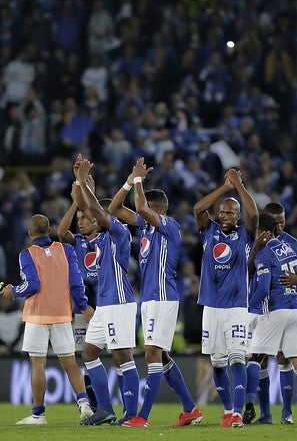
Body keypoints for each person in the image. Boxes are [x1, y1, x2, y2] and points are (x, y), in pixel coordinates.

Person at [107, 157, 202, 428]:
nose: (143, 210)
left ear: (158, 209)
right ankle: (190, 409)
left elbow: (139, 207)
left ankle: (143, 416)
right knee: (161, 355)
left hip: (162, 296)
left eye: (149, 207)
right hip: (149, 298)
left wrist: (139, 179)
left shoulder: (169, 225)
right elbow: (114, 209)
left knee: (151, 353)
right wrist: (129, 181)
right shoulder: (147, 227)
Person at [0, 213, 95, 424]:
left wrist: (13, 291)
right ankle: (84, 404)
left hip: (37, 315)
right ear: (50, 230)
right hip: (62, 314)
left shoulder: (26, 254)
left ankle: (38, 414)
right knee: (70, 363)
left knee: (38, 364)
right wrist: (84, 306)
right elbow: (76, 283)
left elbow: (32, 285)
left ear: (30, 233)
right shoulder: (66, 250)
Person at [72, 155, 140, 426]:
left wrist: (83, 184)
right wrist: (81, 188)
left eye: (94, 217)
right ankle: (105, 409)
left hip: (119, 301)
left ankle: (132, 413)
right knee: (89, 353)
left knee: (122, 356)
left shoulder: (119, 232)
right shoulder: (96, 238)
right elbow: (89, 211)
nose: (88, 220)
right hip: (104, 304)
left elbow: (97, 212)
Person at [192, 167, 259, 428]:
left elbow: (254, 214)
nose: (224, 216)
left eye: (230, 212)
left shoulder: (245, 234)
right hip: (211, 305)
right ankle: (228, 411)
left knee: (237, 357)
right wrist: (224, 188)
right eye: (221, 212)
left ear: (238, 216)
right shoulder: (209, 230)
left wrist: (238, 185)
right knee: (217, 362)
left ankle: (238, 414)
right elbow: (198, 208)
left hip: (237, 306)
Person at [245, 202, 297, 424]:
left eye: (282, 222)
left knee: (268, 358)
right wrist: (255, 248)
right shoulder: (254, 240)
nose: (279, 227)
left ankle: (285, 412)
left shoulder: (291, 243)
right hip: (289, 309)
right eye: (276, 223)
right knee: (281, 361)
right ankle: (268, 414)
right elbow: (248, 270)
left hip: (271, 306)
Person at [55, 175, 100, 407]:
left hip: (105, 305)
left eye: (84, 218)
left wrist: (89, 196)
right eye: (79, 219)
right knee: (85, 355)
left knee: (118, 356)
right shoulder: (77, 241)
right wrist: (75, 203)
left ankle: (118, 405)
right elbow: (61, 232)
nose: (80, 222)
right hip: (83, 308)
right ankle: (93, 404)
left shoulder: (106, 237)